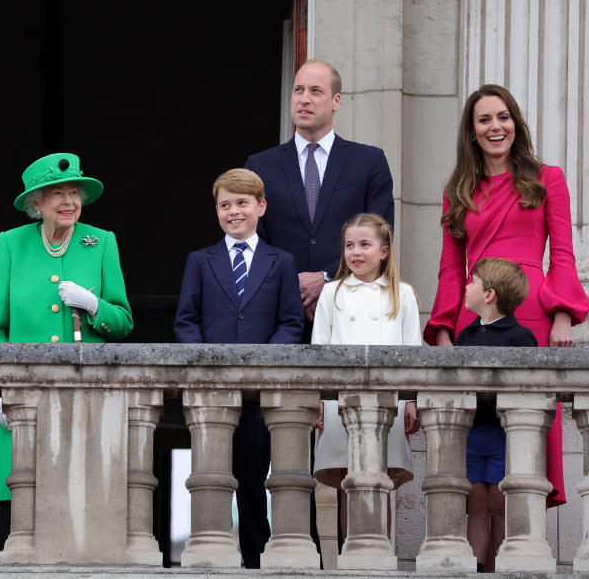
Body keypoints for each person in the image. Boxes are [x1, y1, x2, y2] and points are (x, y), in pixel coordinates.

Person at [423, 84, 589, 507]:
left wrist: (563, 315)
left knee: (527, 434)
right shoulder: (457, 190)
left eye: (503, 116)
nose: (495, 126)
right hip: (474, 319)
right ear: (472, 131)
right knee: (478, 448)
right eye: (485, 120)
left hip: (531, 313)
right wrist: (443, 327)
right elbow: (450, 268)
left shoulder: (547, 178)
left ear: (515, 122)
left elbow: (563, 254)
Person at [0, 152, 132, 545]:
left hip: (84, 400)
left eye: (74, 193)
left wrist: (93, 305)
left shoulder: (100, 243)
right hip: (25, 401)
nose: (69, 201)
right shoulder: (10, 244)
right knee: (22, 513)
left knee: (82, 513)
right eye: (57, 194)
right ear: (37, 203)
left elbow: (123, 322)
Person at [174, 168, 304, 568]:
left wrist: (262, 363)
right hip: (212, 393)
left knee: (252, 482)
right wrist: (205, 365)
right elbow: (186, 320)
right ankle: (208, 562)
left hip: (258, 394)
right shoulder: (200, 260)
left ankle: (254, 565)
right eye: (225, 204)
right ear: (216, 211)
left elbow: (291, 323)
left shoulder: (280, 262)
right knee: (210, 481)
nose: (234, 211)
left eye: (242, 203)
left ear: (260, 207)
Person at [244, 60, 394, 333]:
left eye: (315, 91)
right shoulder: (260, 166)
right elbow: (252, 241)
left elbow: (380, 234)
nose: (304, 99)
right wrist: (292, 284)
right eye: (298, 90)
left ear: (336, 101)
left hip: (351, 311)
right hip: (279, 318)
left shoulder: (369, 161)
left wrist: (326, 278)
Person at [311, 213, 420, 540]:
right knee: (348, 480)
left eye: (364, 244)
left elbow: (413, 351)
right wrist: (319, 399)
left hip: (388, 402)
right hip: (341, 401)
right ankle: (349, 558)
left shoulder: (402, 293)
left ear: (384, 251)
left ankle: (380, 556)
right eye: (349, 245)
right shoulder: (332, 293)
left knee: (381, 479)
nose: (355, 252)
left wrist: (412, 399)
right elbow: (320, 349)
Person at [455, 257, 537, 573]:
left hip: (504, 435)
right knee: (475, 503)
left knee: (500, 505)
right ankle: (475, 568)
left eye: (471, 281)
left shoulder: (521, 338)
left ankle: (502, 568)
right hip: (472, 434)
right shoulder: (466, 336)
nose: (467, 286)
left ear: (489, 295)